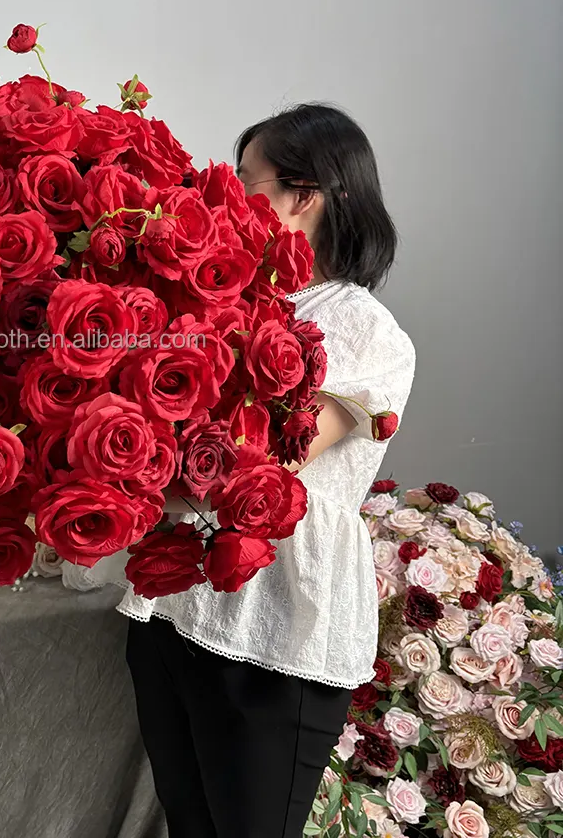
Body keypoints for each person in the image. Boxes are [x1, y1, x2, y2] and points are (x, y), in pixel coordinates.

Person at [62, 103, 416, 838]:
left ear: (304, 196)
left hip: (276, 630)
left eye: (248, 182)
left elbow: (279, 450)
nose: (226, 199)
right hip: (172, 611)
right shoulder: (226, 299)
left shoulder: (360, 326)